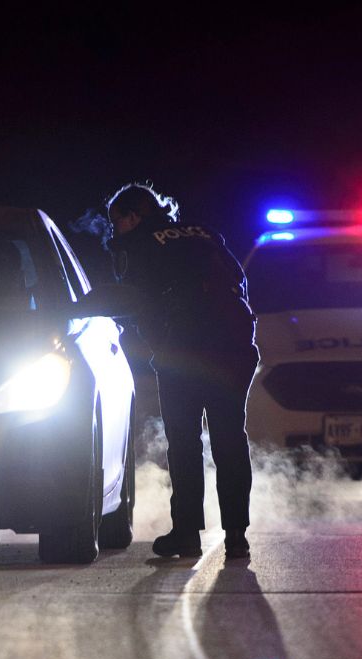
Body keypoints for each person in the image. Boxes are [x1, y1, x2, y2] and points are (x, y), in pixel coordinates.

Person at [102, 182, 258, 559]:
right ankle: (236, 535)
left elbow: (138, 299)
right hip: (233, 349)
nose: (113, 231)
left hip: (185, 352)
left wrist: (157, 341)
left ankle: (186, 534)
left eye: (116, 222)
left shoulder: (137, 244)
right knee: (230, 439)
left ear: (134, 216)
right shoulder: (204, 233)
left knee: (185, 444)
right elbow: (238, 282)